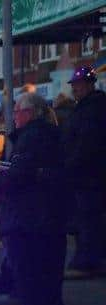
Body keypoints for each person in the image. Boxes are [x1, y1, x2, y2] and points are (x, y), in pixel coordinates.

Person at [0, 93, 67, 305]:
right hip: (49, 216)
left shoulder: (32, 137)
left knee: (30, 270)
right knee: (48, 271)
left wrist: (2, 179)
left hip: (31, 218)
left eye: (17, 111)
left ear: (28, 113)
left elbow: (20, 174)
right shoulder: (50, 133)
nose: (14, 117)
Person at [63, 66, 106, 278]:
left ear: (89, 84)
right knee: (84, 218)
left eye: (78, 85)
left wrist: (70, 164)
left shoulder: (93, 109)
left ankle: (88, 261)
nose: (75, 89)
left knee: (88, 218)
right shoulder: (85, 108)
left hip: (89, 175)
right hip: (84, 175)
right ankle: (87, 258)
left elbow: (86, 143)